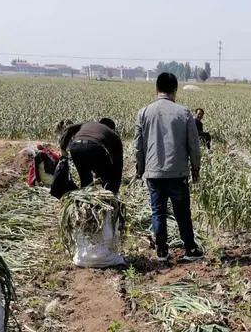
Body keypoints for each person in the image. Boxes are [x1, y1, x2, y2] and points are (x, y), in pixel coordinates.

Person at [134, 72, 203, 263]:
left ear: (156, 89)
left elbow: (138, 145)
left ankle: (162, 252)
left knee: (158, 213)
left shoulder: (144, 112)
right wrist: (195, 170)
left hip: (153, 173)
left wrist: (140, 169)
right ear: (175, 90)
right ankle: (190, 248)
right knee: (182, 213)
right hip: (177, 172)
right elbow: (194, 145)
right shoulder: (184, 113)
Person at [59, 118, 123, 194]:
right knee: (107, 178)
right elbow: (118, 165)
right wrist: (115, 187)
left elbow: (70, 128)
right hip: (94, 147)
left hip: (75, 147)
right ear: (112, 129)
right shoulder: (114, 135)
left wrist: (63, 147)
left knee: (85, 180)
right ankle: (108, 198)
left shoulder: (89, 124)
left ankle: (86, 200)